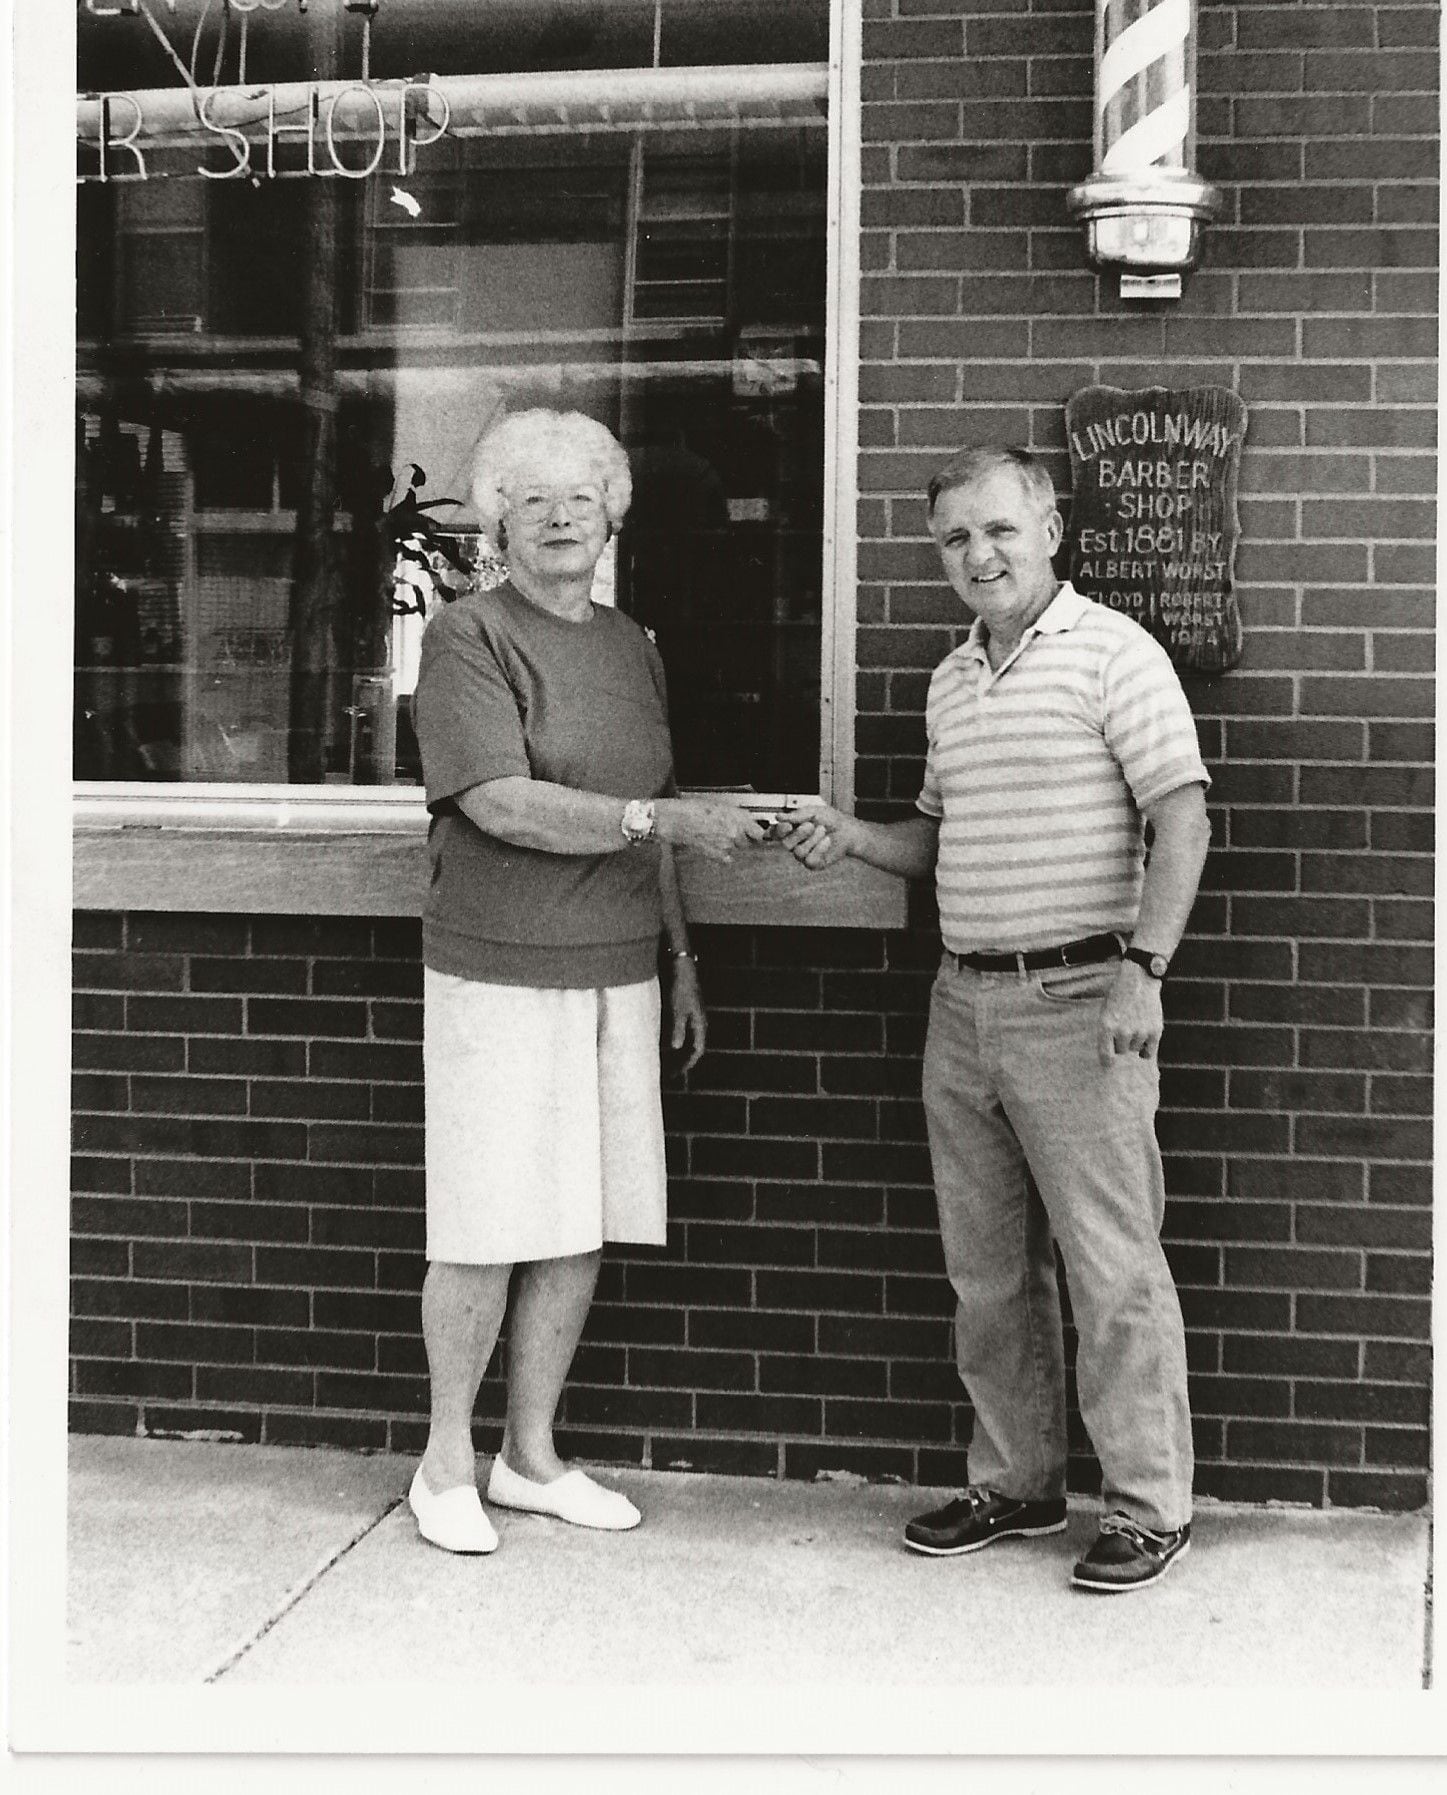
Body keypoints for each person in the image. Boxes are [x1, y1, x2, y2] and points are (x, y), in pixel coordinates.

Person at [784, 444, 1211, 1593]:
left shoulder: (1114, 653)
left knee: (1111, 1263)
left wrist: (1145, 969)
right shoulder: (951, 677)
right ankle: (1018, 1481)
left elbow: (1183, 818)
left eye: (999, 530)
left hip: (1083, 996)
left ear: (1051, 529)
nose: (979, 553)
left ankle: (1148, 1503)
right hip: (962, 999)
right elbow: (933, 842)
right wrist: (851, 836)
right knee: (988, 1270)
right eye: (956, 538)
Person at [408, 406, 765, 1554]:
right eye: (533, 497)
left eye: (583, 495)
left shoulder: (631, 644)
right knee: (482, 1219)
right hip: (499, 970)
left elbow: (649, 833)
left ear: (614, 512)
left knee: (579, 1221)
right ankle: (443, 1461)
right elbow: (498, 799)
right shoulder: (468, 634)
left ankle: (531, 1454)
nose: (561, 515)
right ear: (498, 517)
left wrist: (682, 959)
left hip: (622, 973)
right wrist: (652, 818)